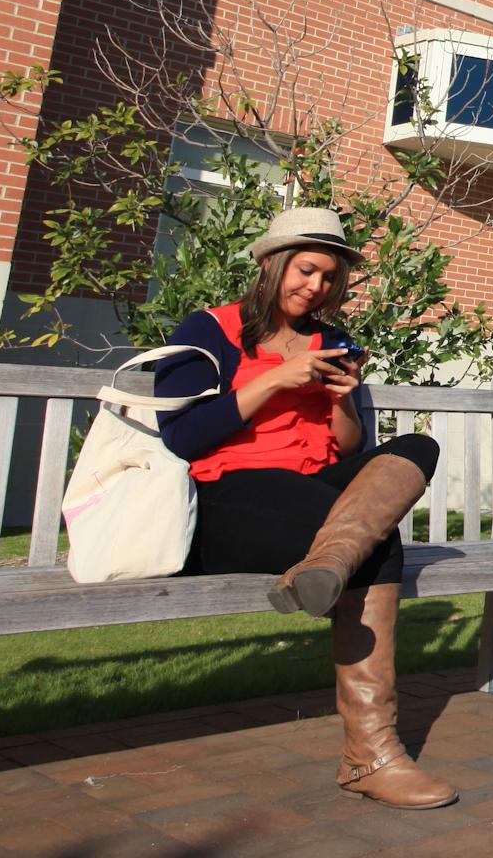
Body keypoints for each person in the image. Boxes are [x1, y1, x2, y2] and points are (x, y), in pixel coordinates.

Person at [153, 207, 455, 808]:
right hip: (229, 499)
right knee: (379, 542)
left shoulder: (332, 341)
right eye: (305, 270)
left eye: (327, 278)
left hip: (312, 493)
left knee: (416, 445)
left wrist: (345, 401)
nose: (314, 287)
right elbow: (181, 437)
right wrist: (275, 378)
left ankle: (326, 566)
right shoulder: (208, 329)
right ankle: (370, 757)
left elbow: (352, 450)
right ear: (270, 264)